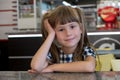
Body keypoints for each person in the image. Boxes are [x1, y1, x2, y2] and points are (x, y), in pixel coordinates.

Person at [28, 5, 96, 73]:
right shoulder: (54, 53)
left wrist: (53, 67)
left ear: (81, 28)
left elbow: (89, 66)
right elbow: (36, 67)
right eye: (61, 29)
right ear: (55, 33)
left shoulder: (86, 49)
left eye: (72, 27)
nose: (68, 33)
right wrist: (51, 35)